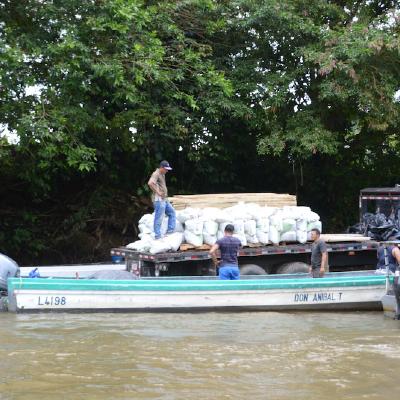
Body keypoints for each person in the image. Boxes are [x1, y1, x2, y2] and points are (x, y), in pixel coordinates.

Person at [147, 160, 176, 240]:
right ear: (161, 167)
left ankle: (170, 232)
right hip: (158, 200)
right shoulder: (156, 173)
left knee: (172, 212)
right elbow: (150, 183)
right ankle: (157, 235)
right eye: (166, 169)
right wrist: (158, 192)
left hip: (164, 199)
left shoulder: (162, 174)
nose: (167, 171)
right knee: (159, 217)